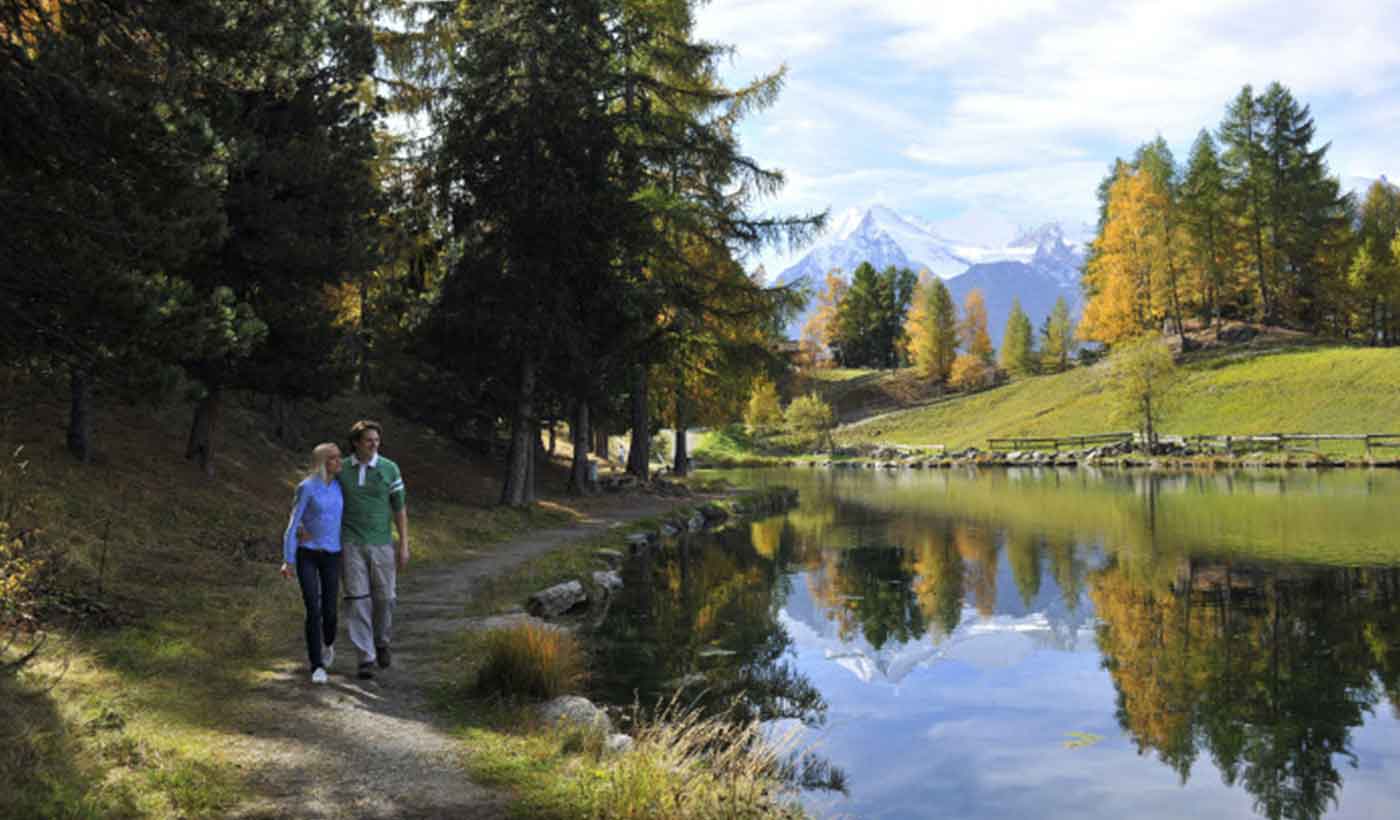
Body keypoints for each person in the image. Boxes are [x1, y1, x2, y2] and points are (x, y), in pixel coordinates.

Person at [338, 419, 409, 680]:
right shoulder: (341, 469)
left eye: (377, 440)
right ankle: (365, 657)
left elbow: (399, 509)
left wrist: (404, 544)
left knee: (385, 598)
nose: (374, 445)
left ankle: (381, 640)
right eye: (369, 440)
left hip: (381, 544)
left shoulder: (389, 469)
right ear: (356, 442)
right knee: (357, 600)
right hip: (350, 543)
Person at [281, 443, 344, 684]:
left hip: (332, 555)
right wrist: (288, 560)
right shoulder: (306, 487)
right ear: (322, 462)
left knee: (330, 612)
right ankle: (316, 665)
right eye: (334, 459)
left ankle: (329, 643)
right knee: (313, 609)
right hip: (307, 554)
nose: (340, 462)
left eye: (340, 458)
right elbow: (293, 522)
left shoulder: (340, 487)